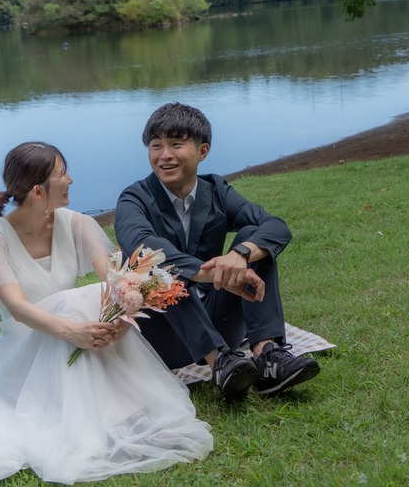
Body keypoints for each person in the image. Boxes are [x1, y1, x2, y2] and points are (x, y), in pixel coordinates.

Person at [0, 141, 213, 487]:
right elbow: (18, 308)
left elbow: (115, 281)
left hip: (84, 337)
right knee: (73, 301)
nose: (71, 180)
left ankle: (112, 409)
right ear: (38, 191)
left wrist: (120, 320)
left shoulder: (76, 223)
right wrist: (70, 331)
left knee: (93, 294)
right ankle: (88, 425)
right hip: (29, 349)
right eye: (62, 174)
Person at [114, 103, 320, 401]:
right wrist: (210, 273)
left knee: (252, 239)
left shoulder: (215, 190)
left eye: (176, 144)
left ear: (203, 151)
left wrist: (239, 256)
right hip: (166, 334)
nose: (164, 155)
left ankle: (268, 357)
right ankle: (220, 363)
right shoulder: (134, 199)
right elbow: (141, 245)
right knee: (154, 269)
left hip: (219, 322)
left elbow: (275, 226)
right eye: (156, 146)